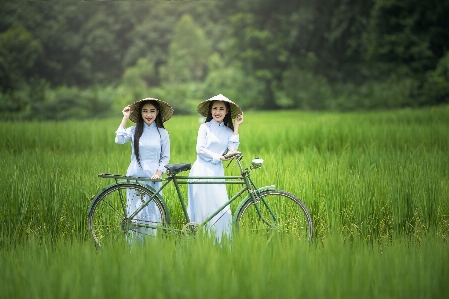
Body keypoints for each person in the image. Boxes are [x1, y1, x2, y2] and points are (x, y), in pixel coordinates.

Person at [187, 94, 244, 241]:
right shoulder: (204, 127)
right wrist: (219, 157)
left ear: (226, 112)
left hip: (217, 171)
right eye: (214, 108)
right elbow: (200, 149)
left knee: (222, 209)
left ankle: (221, 244)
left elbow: (232, 149)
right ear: (210, 111)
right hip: (201, 170)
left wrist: (236, 126)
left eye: (221, 109)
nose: (217, 112)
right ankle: (200, 243)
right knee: (203, 210)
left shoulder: (228, 131)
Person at [115, 98, 173, 240]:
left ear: (157, 113)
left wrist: (159, 173)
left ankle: (149, 249)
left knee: (151, 214)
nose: (148, 114)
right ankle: (133, 250)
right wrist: (125, 117)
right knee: (135, 214)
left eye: (152, 111)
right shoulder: (134, 130)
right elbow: (119, 139)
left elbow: (165, 157)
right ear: (140, 113)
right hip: (135, 175)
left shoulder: (162, 133)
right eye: (145, 111)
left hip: (153, 178)